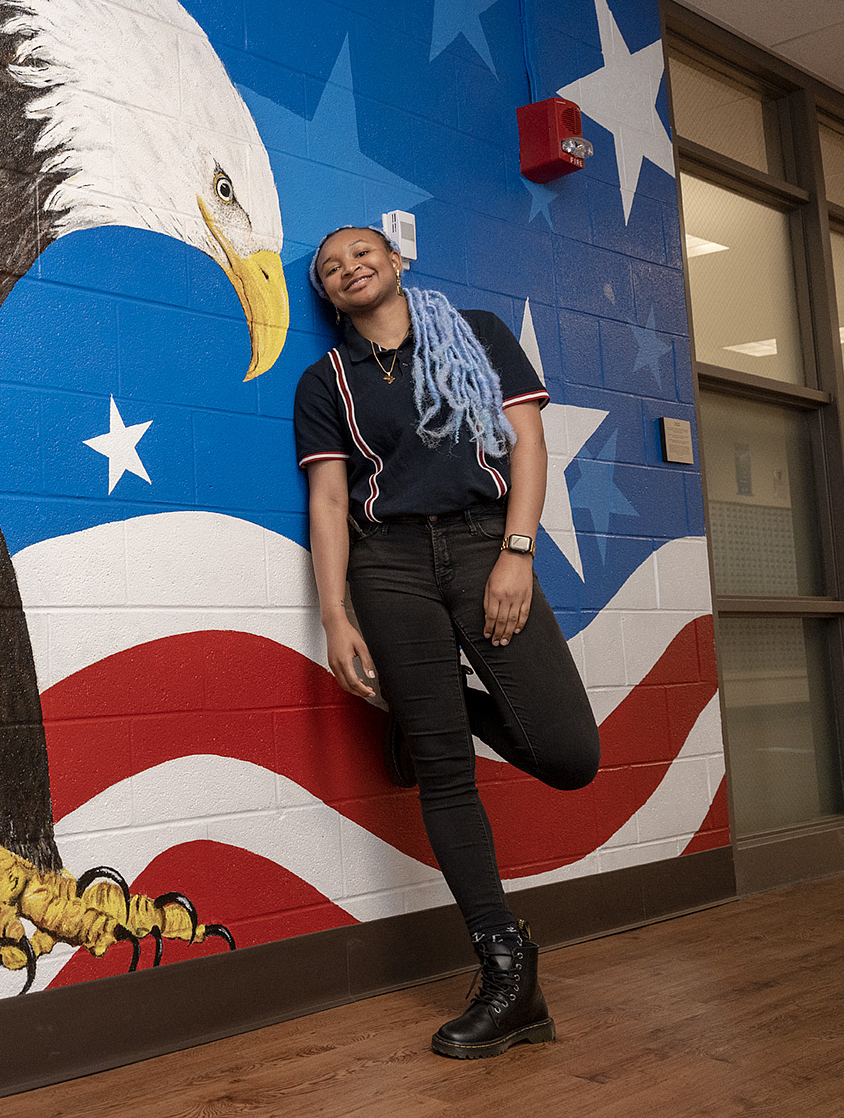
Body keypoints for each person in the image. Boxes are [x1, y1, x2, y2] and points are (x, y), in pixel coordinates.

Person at [292, 224, 600, 1060]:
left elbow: (528, 443)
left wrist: (517, 552)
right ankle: (508, 973)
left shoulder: (477, 335)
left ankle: (431, 710)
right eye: (330, 269)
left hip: (482, 541)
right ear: (327, 294)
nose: (349, 268)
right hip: (387, 562)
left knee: (571, 754)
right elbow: (328, 503)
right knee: (444, 772)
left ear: (395, 262)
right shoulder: (326, 381)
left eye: (362, 254)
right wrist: (334, 614)